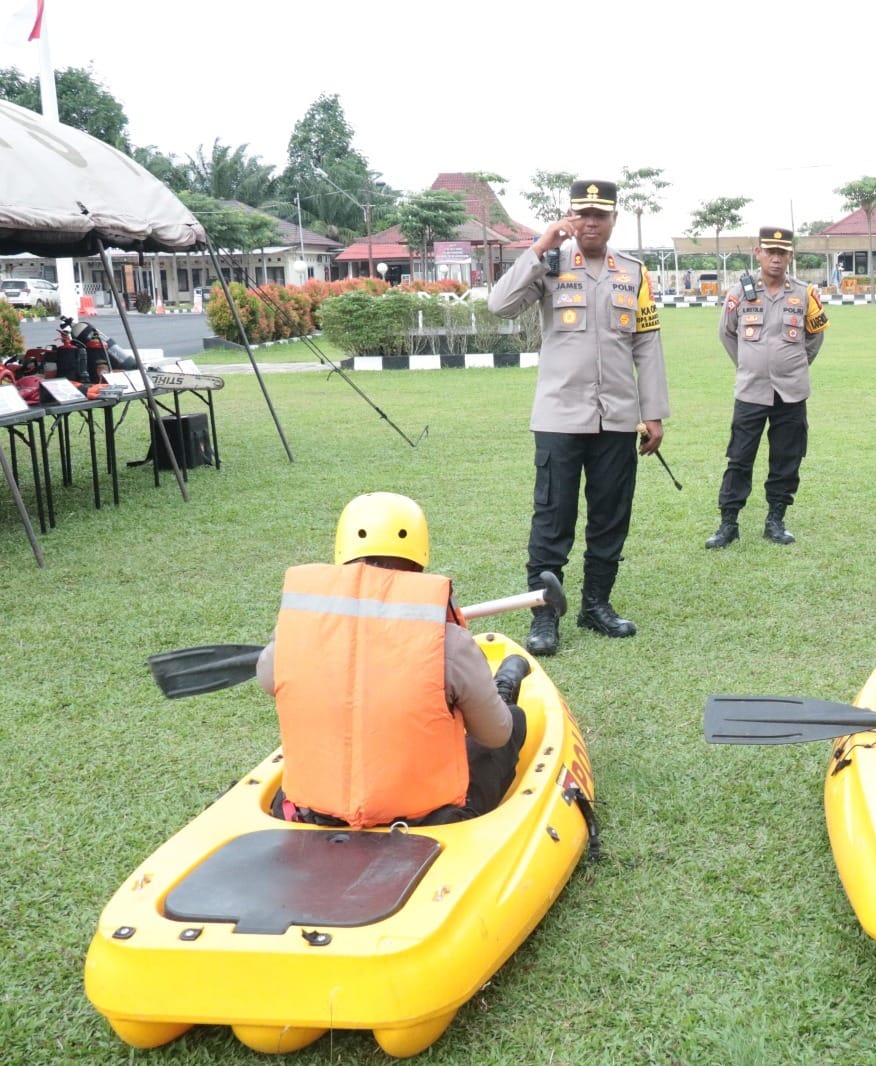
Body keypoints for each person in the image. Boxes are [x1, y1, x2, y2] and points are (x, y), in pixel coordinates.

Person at [256, 492, 531, 829]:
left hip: (313, 811)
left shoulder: (295, 630)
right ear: (419, 557)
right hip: (424, 820)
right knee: (512, 719)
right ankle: (501, 691)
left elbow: (268, 679)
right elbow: (495, 736)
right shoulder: (450, 643)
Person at [488, 179, 669, 655]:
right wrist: (540, 246)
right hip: (559, 418)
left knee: (611, 516)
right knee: (553, 517)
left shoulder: (633, 273)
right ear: (570, 216)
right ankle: (544, 616)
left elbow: (647, 345)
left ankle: (596, 605)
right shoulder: (548, 264)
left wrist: (653, 413)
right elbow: (499, 305)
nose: (591, 222)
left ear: (613, 220)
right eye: (583, 214)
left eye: (601, 215)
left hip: (617, 418)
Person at [704, 226, 829, 548]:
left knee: (787, 457)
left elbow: (815, 336)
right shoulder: (739, 293)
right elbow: (727, 334)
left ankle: (776, 519)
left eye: (782, 253)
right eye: (770, 252)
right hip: (751, 390)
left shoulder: (804, 293)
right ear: (758, 253)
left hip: (791, 391)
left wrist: (795, 364)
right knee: (739, 458)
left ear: (790, 256)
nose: (776, 258)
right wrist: (749, 363)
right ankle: (728, 523)